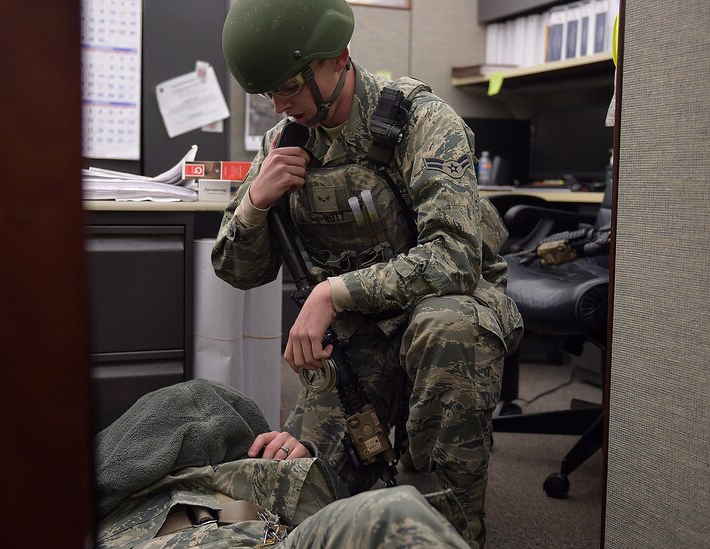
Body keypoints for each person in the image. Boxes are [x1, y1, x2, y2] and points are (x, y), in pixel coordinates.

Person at [212, 1, 523, 547]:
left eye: (289, 88)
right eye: (269, 96)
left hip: (445, 313)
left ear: (338, 58)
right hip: (359, 342)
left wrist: (335, 292)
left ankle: (449, 529)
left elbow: (454, 256)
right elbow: (236, 270)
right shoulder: (283, 142)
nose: (281, 106)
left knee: (447, 327)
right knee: (301, 489)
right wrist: (254, 205)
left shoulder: (423, 122)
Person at [93, 379, 470, 549]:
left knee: (396, 508)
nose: (205, 434)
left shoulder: (253, 477)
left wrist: (302, 464)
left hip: (275, 539)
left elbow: (335, 507)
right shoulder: (103, 497)